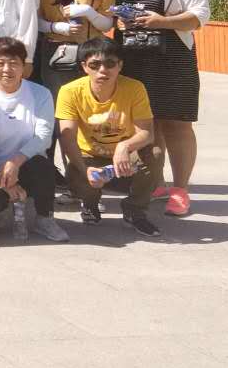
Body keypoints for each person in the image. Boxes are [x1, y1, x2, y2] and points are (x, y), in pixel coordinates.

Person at [111, 0, 210, 217]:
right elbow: (106, 9)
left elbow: (200, 16)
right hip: (132, 60)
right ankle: (155, 182)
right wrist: (117, 21)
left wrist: (163, 22)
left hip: (173, 60)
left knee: (177, 124)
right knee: (146, 125)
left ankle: (180, 190)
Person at [56, 38, 164, 236]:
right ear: (84, 67)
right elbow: (67, 138)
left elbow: (147, 133)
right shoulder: (69, 91)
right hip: (89, 156)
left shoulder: (135, 88)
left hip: (125, 159)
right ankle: (89, 204)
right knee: (75, 173)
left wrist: (125, 147)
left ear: (120, 65)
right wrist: (85, 170)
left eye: (110, 64)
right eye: (94, 65)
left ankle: (135, 211)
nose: (102, 70)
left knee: (155, 153)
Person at [0, 37, 67, 242]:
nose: (7, 69)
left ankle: (44, 218)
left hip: (26, 164)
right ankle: (0, 210)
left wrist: (15, 162)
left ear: (23, 66)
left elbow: (43, 137)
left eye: (14, 63)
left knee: (43, 166)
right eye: (0, 63)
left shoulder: (40, 93)